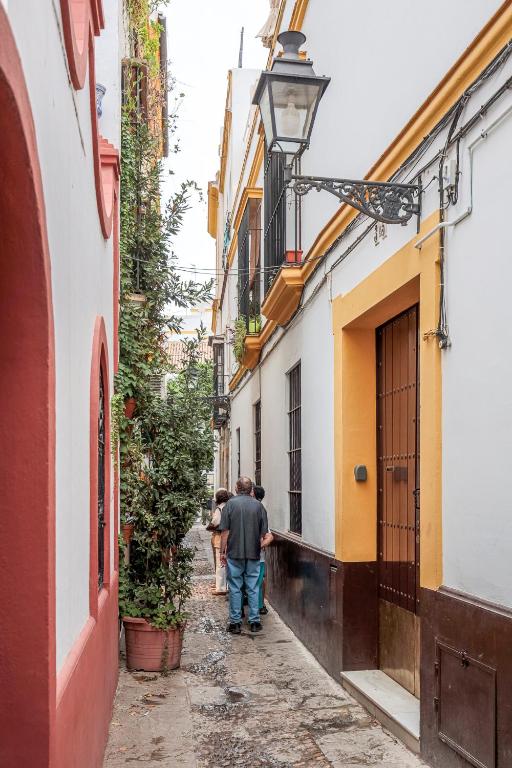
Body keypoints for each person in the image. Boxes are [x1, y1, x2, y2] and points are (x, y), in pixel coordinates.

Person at [219, 476, 268, 634]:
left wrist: (222, 552)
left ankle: (235, 623)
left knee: (235, 588)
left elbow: (225, 532)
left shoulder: (229, 505)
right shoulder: (259, 507)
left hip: (234, 553)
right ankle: (254, 622)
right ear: (251, 489)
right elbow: (264, 534)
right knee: (253, 587)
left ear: (236, 488)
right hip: (253, 553)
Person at [252, 485, 273, 615]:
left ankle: (257, 607)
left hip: (253, 556)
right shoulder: (261, 509)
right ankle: (259, 605)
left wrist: (257, 546)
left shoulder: (258, 509)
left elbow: (269, 536)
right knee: (258, 582)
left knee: (255, 582)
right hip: (258, 556)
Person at [209, 488, 229, 595]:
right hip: (231, 538)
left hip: (220, 537)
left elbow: (215, 522)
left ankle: (220, 587)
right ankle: (226, 585)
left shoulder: (219, 509)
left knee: (220, 563)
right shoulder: (229, 506)